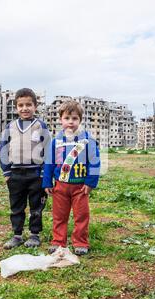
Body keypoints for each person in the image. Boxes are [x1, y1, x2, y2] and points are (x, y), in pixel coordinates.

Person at [42, 101, 101, 256]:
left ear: (80, 120)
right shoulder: (56, 142)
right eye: (67, 117)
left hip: (80, 187)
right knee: (59, 216)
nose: (70, 122)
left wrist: (90, 182)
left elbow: (95, 162)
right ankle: (58, 241)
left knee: (81, 215)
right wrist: (47, 181)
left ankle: (80, 242)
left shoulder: (88, 141)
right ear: (60, 119)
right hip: (60, 186)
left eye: (74, 118)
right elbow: (49, 162)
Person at [0, 88, 50, 249]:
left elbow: (49, 150)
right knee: (16, 206)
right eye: (21, 105)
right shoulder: (10, 127)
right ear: (16, 108)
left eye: (29, 104)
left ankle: (34, 235)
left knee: (36, 206)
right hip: (15, 174)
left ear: (35, 106)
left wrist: (45, 173)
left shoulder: (40, 126)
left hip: (36, 173)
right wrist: (7, 172)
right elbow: (3, 149)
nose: (25, 108)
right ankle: (17, 235)